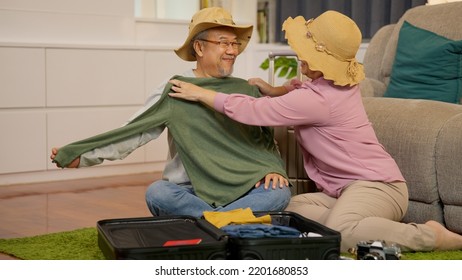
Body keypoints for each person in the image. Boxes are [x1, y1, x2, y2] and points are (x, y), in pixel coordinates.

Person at [168, 10, 462, 253]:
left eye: (306, 53)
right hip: (343, 192)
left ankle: (428, 236)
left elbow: (255, 112)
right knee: (292, 209)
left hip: (378, 187)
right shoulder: (329, 87)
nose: (300, 57)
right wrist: (276, 89)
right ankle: (352, 225)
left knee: (340, 232)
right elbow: (300, 88)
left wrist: (203, 94)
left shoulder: (318, 100)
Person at [50, 7, 291, 218]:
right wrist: (84, 155)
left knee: (279, 192)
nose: (232, 51)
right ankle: (232, 224)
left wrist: (273, 168)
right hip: (192, 190)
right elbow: (135, 131)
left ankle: (209, 224)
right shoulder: (176, 89)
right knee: (158, 193)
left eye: (234, 43)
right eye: (223, 43)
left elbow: (265, 139)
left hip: (243, 187)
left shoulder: (246, 89)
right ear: (199, 47)